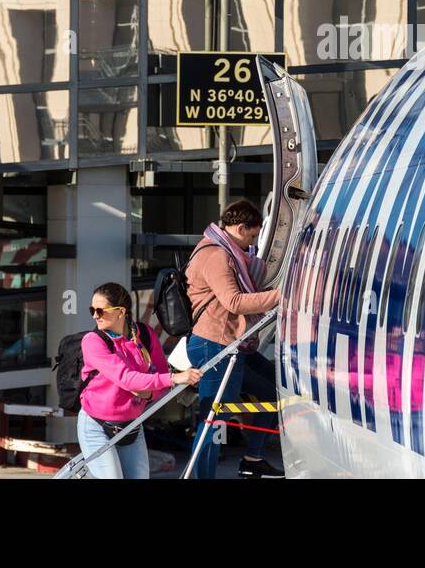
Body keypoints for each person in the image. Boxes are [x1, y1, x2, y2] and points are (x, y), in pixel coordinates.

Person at [185, 199, 284, 479]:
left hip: (232, 344)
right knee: (214, 421)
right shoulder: (217, 255)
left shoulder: (223, 250)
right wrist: (284, 295)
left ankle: (253, 458)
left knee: (272, 388)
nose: (253, 244)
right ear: (241, 228)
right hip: (214, 346)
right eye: (252, 236)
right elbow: (234, 301)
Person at [77, 282, 203, 479]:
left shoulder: (145, 334)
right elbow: (126, 378)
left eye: (100, 311)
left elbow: (158, 376)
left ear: (120, 311)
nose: (94, 316)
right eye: (92, 310)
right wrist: (174, 378)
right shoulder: (93, 341)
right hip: (96, 425)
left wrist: (150, 392)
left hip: (133, 424)